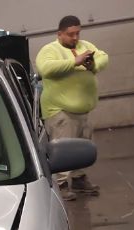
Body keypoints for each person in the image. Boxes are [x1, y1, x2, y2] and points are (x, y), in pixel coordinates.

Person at [36, 15, 108, 201]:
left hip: (83, 111)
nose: (75, 37)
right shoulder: (50, 50)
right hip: (61, 111)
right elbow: (45, 69)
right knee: (62, 151)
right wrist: (75, 62)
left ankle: (78, 179)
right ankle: (60, 185)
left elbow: (103, 57)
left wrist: (93, 64)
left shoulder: (85, 46)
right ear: (59, 34)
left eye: (78, 33)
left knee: (80, 149)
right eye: (70, 34)